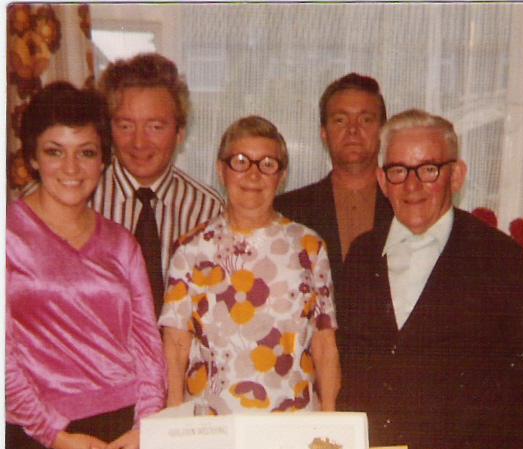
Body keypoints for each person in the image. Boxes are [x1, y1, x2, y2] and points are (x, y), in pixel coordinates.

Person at [337, 109, 523, 449]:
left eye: (429, 170)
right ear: (383, 181)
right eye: (400, 171)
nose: (413, 185)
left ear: (456, 176)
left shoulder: (499, 258)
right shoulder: (361, 256)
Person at [5, 82, 168, 449]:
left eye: (86, 153)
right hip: (42, 445)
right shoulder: (8, 235)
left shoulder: (120, 243)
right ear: (32, 158)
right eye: (55, 152)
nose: (71, 169)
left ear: (103, 162)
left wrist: (144, 426)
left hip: (126, 440)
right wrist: (57, 435)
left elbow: (146, 343)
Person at [160, 116, 340, 415]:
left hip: (292, 418)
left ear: (281, 176)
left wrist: (331, 417)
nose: (253, 175)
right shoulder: (190, 248)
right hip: (212, 420)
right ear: (221, 169)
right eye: (241, 162)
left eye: (267, 164)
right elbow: (176, 343)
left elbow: (324, 342)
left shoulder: (309, 246)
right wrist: (174, 415)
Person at [94, 53, 224, 315]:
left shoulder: (208, 210)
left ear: (180, 133)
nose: (139, 142)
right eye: (126, 126)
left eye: (155, 126)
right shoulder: (84, 198)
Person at [275, 73, 393, 302]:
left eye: (366, 120)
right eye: (340, 120)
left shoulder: (407, 206)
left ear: (382, 131)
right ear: (324, 133)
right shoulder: (287, 211)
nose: (353, 130)